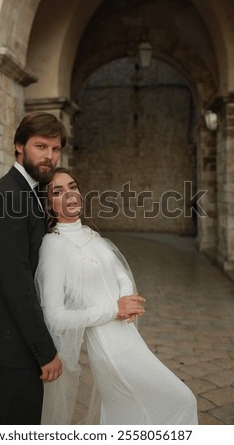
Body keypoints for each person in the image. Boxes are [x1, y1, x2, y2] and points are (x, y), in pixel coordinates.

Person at [35, 168, 199, 425]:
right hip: (109, 348)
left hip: (130, 338)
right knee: (183, 399)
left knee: (128, 414)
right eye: (58, 191)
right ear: (49, 204)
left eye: (73, 187)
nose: (69, 194)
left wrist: (126, 300)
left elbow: (121, 274)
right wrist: (115, 309)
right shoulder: (53, 245)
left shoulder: (91, 235)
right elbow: (55, 317)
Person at [0, 113, 66, 425]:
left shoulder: (28, 192)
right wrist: (44, 351)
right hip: (15, 343)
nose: (49, 156)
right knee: (19, 425)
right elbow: (17, 285)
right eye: (41, 146)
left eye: (55, 149)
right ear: (19, 146)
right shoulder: (6, 198)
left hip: (18, 338)